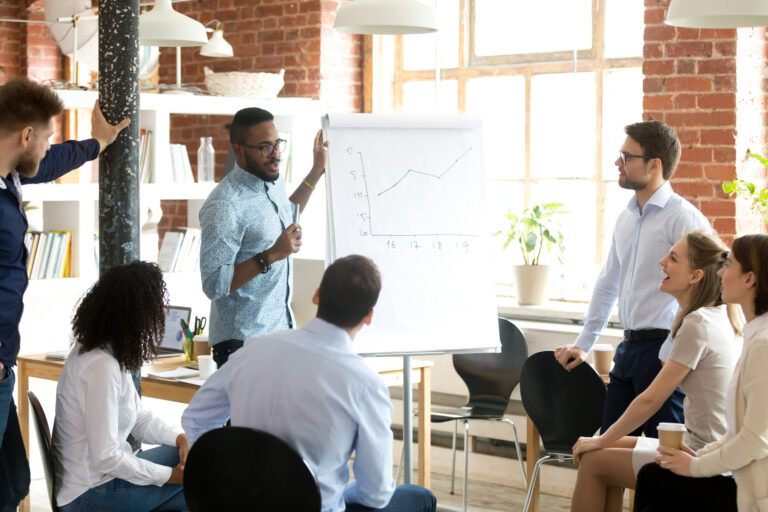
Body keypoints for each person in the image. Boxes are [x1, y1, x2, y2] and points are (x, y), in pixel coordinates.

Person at [182, 255, 436, 512]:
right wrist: (337, 492)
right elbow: (376, 494)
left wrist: (225, 476)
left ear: (316, 296)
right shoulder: (366, 384)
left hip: (240, 504)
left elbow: (196, 418)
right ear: (369, 316)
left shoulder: (255, 348)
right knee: (420, 497)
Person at [0, 76, 129, 511]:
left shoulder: (10, 175)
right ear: (26, 135)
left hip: (3, 357)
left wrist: (97, 143)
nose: (48, 145)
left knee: (13, 484)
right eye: (47, 136)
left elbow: (49, 162)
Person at [555, 120, 709, 436]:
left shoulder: (684, 217)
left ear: (654, 165)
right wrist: (584, 343)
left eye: (626, 157)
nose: (617, 163)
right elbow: (608, 281)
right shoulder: (625, 218)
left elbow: (706, 287)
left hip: (664, 350)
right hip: (627, 349)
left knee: (657, 463)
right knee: (606, 452)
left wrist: (673, 351)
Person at [568, 231, 741, 512]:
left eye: (672, 258)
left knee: (594, 460)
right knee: (599, 452)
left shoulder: (698, 323)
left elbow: (652, 399)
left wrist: (600, 438)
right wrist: (601, 441)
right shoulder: (719, 316)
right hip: (704, 445)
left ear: (696, 276)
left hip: (702, 456)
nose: (661, 262)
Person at [634, 234, 768, 512]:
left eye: (729, 265)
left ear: (749, 279)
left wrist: (694, 466)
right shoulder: (752, 334)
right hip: (735, 474)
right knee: (654, 476)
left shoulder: (762, 345)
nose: (719, 271)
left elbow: (755, 440)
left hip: (752, 495)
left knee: (653, 478)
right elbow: (740, 433)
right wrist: (699, 455)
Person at [52, 261, 189, 512]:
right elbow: (106, 457)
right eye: (154, 309)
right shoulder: (99, 366)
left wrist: (181, 439)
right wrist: (171, 476)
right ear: (134, 314)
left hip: (105, 481)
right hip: (88, 494)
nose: (157, 317)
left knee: (197, 465)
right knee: (201, 482)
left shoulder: (111, 351)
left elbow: (139, 418)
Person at [199, 107, 328, 367]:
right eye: (264, 147)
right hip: (242, 345)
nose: (276, 154)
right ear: (240, 150)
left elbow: (286, 213)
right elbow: (214, 284)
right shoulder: (225, 204)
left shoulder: (271, 180)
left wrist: (316, 171)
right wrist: (272, 255)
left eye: (277, 143)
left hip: (280, 331)